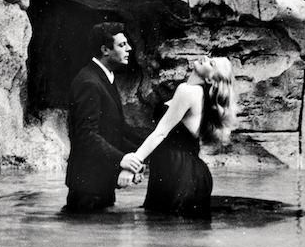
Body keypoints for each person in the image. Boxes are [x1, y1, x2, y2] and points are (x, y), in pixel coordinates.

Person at [128, 55, 235, 218]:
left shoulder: (188, 91)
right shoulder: (194, 92)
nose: (205, 58)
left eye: (211, 63)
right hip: (181, 170)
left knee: (164, 232)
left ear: (209, 80)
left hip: (178, 172)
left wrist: (133, 163)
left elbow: (161, 132)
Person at [64, 22, 144, 212]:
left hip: (98, 183)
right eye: (122, 45)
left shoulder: (104, 77)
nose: (129, 49)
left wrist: (138, 158)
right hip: (88, 188)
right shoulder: (89, 82)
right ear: (105, 50)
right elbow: (86, 136)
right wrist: (121, 159)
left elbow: (117, 130)